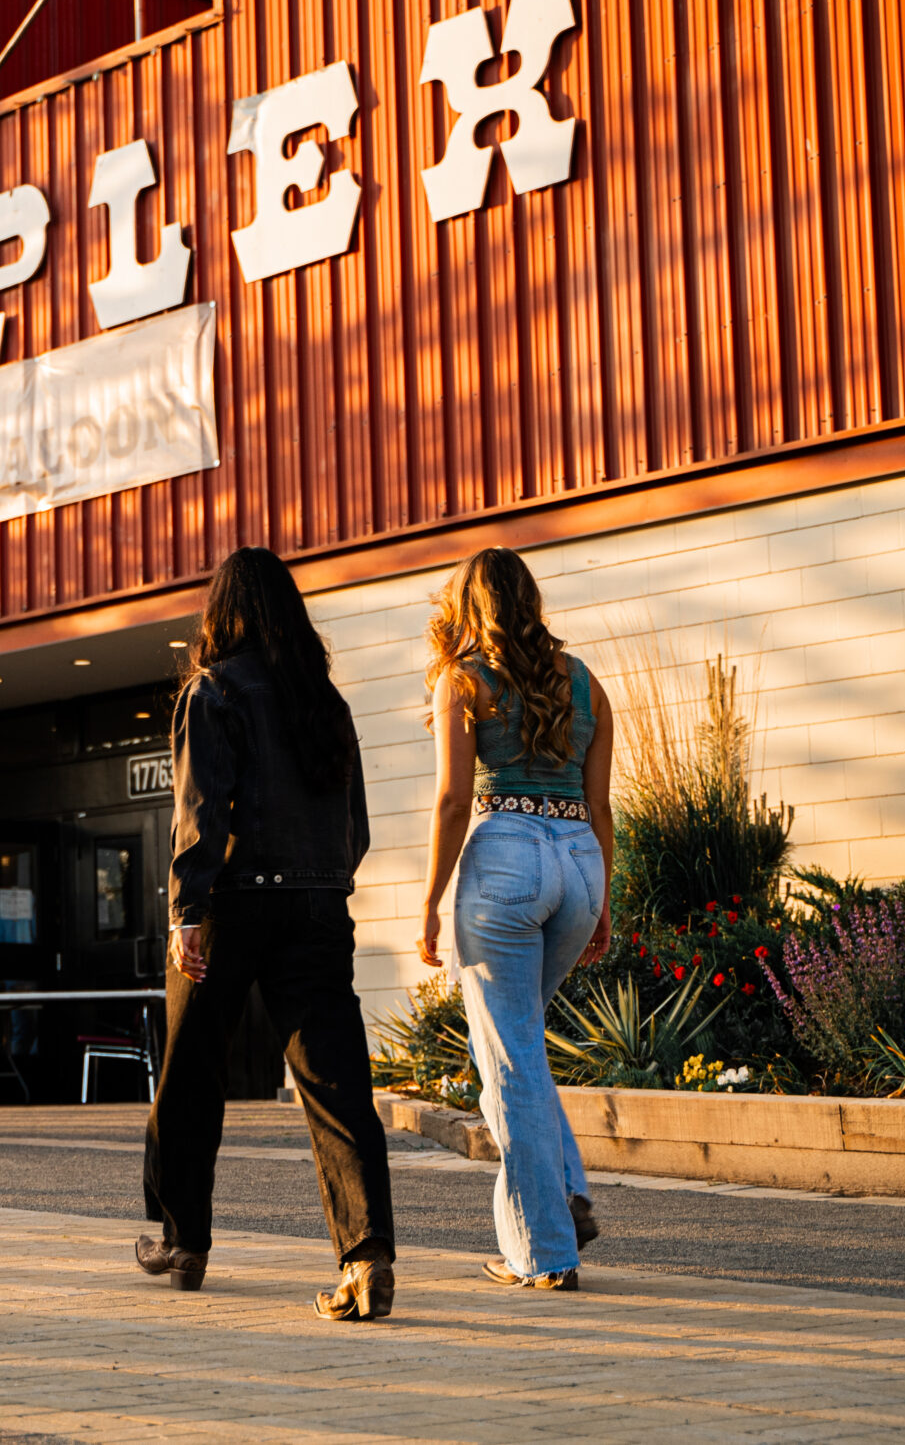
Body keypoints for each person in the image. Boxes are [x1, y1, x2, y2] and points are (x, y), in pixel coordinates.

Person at [137, 548, 396, 1319]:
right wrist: (323, 882)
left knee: (191, 1071)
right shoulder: (327, 702)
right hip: (317, 904)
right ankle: (366, 1255)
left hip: (230, 903)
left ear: (222, 611)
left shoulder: (211, 691)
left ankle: (184, 1242)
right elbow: (356, 828)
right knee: (336, 1083)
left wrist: (186, 910)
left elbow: (200, 813)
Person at [417, 546, 617, 1291]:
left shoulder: (461, 679)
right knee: (521, 1047)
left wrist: (431, 899)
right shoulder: (586, 681)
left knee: (506, 1063)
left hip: (505, 855)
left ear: (470, 605)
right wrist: (603, 902)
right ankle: (564, 1182)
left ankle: (542, 1250)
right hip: (578, 862)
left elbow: (451, 799)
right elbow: (600, 807)